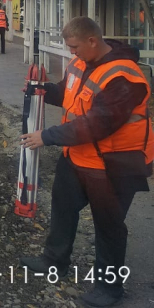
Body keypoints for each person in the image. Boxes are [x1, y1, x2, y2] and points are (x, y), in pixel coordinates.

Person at [20, 17, 154, 307]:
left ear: (93, 41)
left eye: (75, 47)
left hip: (114, 165)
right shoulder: (80, 64)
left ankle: (109, 288)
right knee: (63, 207)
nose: (72, 53)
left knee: (108, 225)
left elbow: (97, 124)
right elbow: (67, 94)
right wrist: (42, 90)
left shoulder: (124, 78)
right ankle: (54, 261)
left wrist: (47, 136)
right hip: (79, 156)